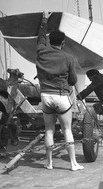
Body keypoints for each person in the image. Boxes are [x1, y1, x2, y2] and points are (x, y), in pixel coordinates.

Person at [36, 11, 84, 171]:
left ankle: (48, 163)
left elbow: (40, 38)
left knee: (49, 130)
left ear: (50, 41)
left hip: (46, 97)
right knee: (67, 130)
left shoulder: (41, 52)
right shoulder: (69, 58)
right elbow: (72, 81)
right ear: (63, 43)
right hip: (61, 96)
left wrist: (44, 19)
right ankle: (73, 164)